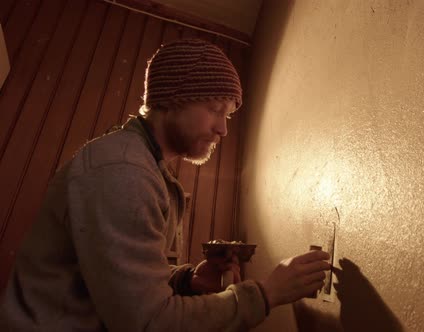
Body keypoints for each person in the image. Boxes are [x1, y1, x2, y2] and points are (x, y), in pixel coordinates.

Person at [0, 39, 331, 331]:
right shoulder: (123, 172)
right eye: (215, 108)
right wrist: (267, 294)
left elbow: (109, 284)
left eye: (227, 115)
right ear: (171, 99)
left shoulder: (144, 167)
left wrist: (186, 281)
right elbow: (150, 323)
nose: (223, 130)